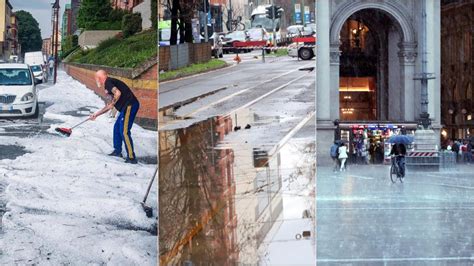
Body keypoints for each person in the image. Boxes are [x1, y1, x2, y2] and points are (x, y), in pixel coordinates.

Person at [89, 70, 140, 164]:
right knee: (117, 128)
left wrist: (113, 102)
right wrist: (96, 114)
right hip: (125, 107)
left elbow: (118, 93)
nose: (96, 80)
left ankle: (132, 158)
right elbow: (110, 106)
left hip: (130, 105)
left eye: (96, 78)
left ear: (99, 78)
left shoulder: (108, 82)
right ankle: (117, 151)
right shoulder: (108, 85)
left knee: (124, 131)